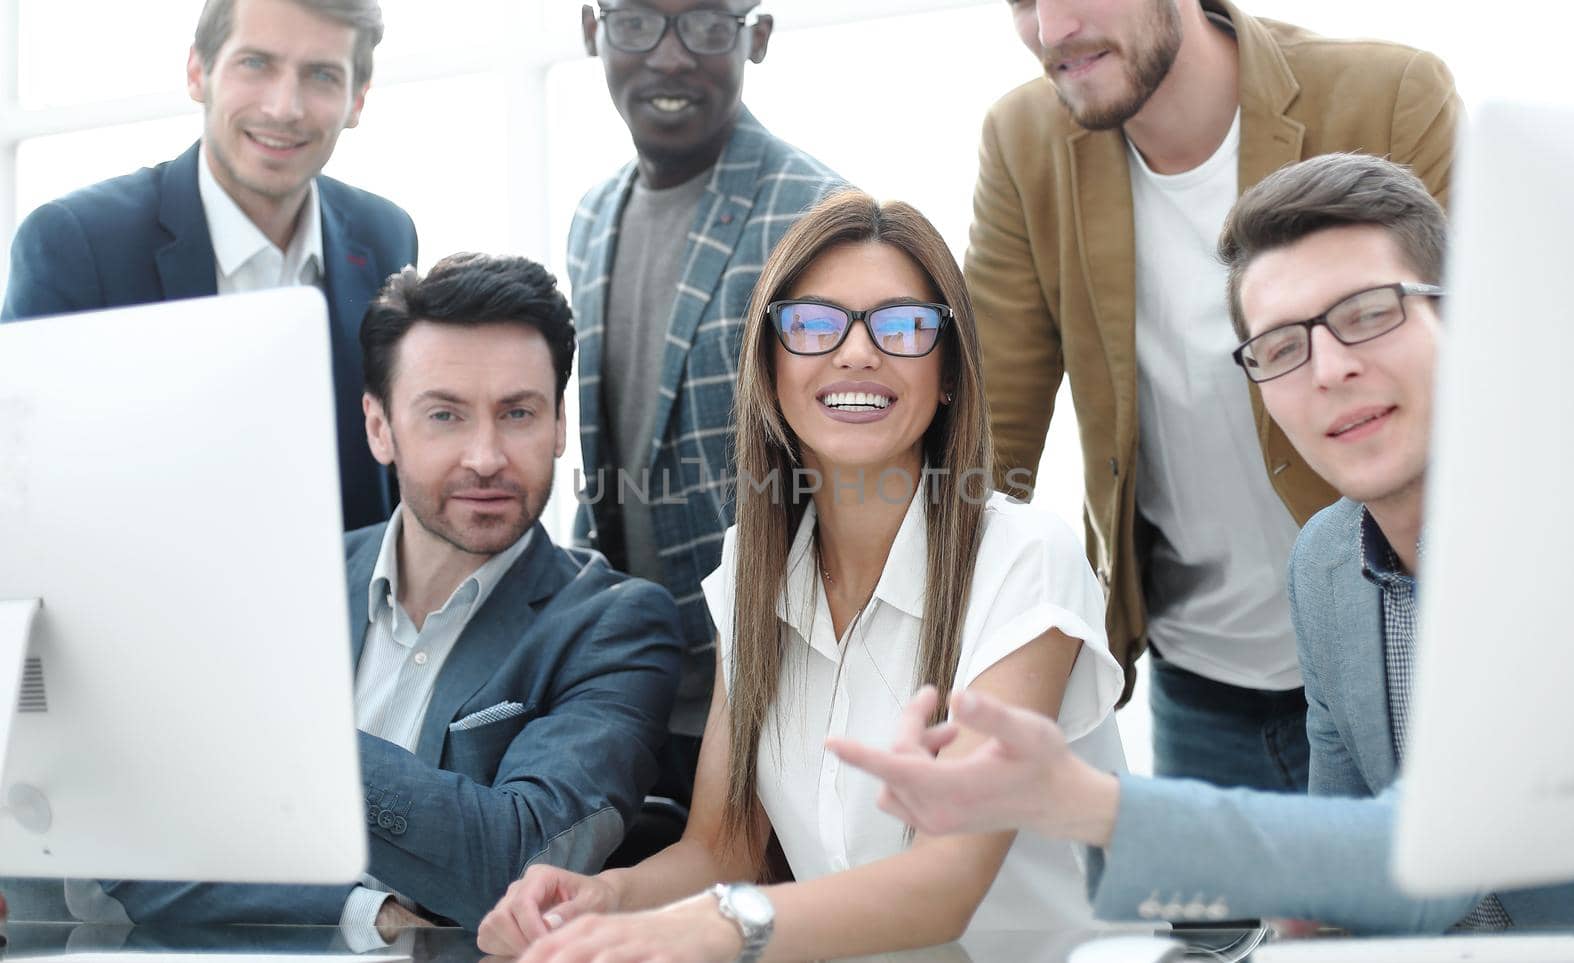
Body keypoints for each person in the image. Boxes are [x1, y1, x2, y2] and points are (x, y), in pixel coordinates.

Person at [831, 155, 1574, 932]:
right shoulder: (1327, 564)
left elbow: (1430, 860)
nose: (1330, 369)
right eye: (1283, 346)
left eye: (1369, 313)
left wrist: (1079, 800)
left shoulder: (1569, 541)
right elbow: (1330, 891)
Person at [475, 191, 1125, 962]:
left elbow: (947, 884)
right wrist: (602, 895)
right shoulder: (752, 564)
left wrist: (713, 929)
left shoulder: (1024, 559)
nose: (856, 353)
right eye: (814, 325)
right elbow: (723, 847)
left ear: (948, 373)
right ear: (771, 366)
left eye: (902, 326)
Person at [63, 254, 684, 941]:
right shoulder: (274, 587)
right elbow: (131, 841)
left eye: (518, 413)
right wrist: (362, 912)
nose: (485, 455)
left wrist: (278, 729)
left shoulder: (616, 623)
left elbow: (516, 861)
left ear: (560, 425)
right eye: (445, 414)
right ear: (379, 427)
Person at [968, 0, 1461, 789]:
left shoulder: (1390, 94)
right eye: (1022, 1)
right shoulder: (1023, 140)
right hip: (1198, 679)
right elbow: (989, 439)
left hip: (1415, 649)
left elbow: (1493, 375)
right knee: (1229, 911)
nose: (1052, 29)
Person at [568, 0, 844, 806]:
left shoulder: (815, 213)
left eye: (706, 25)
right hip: (643, 689)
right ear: (593, 29)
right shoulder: (593, 215)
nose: (671, 56)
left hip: (785, 693)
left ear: (756, 39)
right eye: (638, 23)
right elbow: (607, 454)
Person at [1, 0, 416, 532]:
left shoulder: (384, 236)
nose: (284, 106)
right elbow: (23, 500)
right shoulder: (75, 245)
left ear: (357, 100)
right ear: (198, 71)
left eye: (321, 75)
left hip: (344, 605)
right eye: (256, 64)